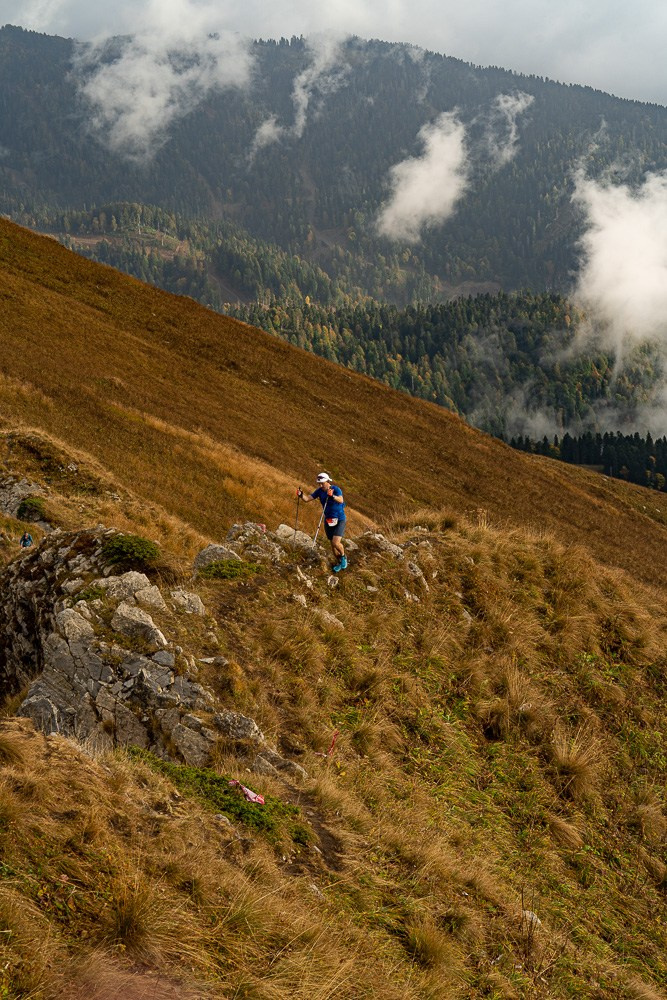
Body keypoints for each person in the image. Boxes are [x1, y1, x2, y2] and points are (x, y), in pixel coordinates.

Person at [298, 472, 347, 572]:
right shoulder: (319, 491)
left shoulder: (335, 489)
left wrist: (332, 496)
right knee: (332, 546)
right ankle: (339, 563)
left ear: (327, 481)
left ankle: (343, 557)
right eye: (319, 484)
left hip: (339, 519)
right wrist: (301, 495)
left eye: (322, 483)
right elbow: (307, 499)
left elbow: (341, 500)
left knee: (336, 543)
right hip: (328, 520)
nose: (320, 485)